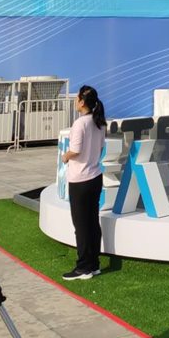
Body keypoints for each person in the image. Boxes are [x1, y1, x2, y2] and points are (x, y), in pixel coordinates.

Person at [61, 85, 106, 280]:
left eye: (77, 97)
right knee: (92, 222)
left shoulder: (80, 124)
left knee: (81, 225)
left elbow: (76, 150)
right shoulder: (99, 123)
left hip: (80, 180)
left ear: (81, 102)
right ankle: (93, 264)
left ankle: (83, 267)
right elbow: (100, 146)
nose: (74, 100)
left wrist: (65, 156)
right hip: (95, 177)